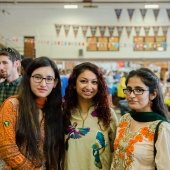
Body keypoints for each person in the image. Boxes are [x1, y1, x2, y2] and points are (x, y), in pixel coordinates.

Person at [0, 56, 65, 170]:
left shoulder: (56, 111)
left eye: (49, 79)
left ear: (55, 83)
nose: (43, 84)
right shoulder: (13, 105)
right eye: (37, 77)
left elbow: (55, 151)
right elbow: (7, 148)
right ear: (28, 78)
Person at [111, 68, 170, 170]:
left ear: (153, 94)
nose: (131, 95)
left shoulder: (161, 128)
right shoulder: (125, 119)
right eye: (129, 89)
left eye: (139, 90)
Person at [63, 62, 118, 170]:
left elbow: (116, 150)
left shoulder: (108, 114)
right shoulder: (63, 113)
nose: (89, 87)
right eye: (83, 81)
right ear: (74, 84)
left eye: (94, 82)